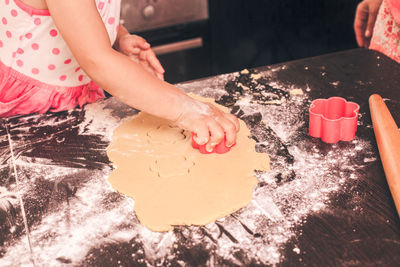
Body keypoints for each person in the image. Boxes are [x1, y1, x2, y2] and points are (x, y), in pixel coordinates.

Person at [0, 0, 240, 152]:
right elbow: (97, 60)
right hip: (29, 106)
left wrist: (117, 37)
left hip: (76, 87)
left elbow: (86, 14)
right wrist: (186, 109)